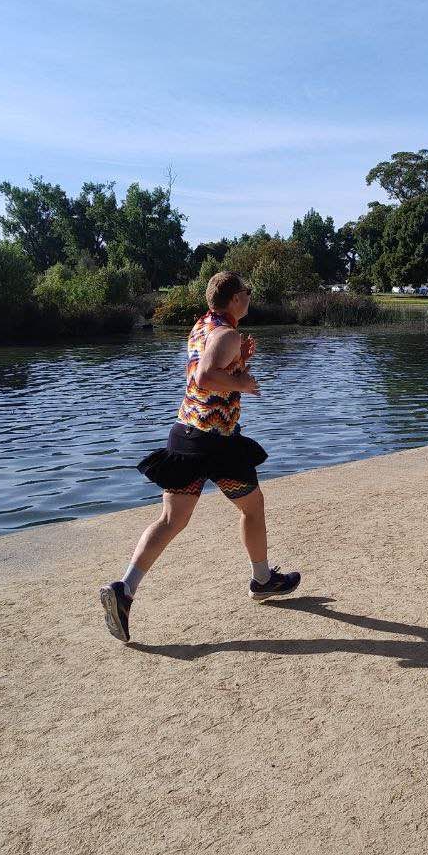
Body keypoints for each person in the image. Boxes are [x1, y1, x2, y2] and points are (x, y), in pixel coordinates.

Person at [99, 271, 301, 644]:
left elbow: (208, 367)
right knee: (253, 508)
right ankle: (262, 579)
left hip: (186, 436)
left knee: (171, 520)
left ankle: (124, 590)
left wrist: (239, 364)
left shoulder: (203, 326)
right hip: (218, 444)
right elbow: (205, 378)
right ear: (235, 299)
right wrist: (242, 381)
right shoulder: (227, 334)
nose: (250, 296)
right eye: (247, 291)